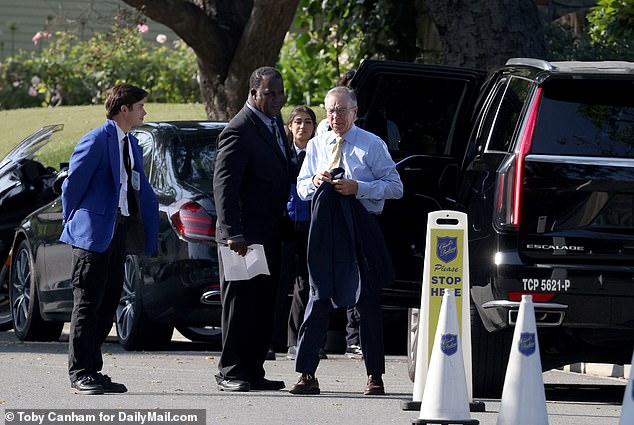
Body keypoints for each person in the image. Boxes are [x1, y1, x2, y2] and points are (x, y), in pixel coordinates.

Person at [290, 86, 403, 396]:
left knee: (366, 300)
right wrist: (314, 181)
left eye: (341, 110)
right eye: (330, 111)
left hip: (360, 229)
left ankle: (374, 375)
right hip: (325, 232)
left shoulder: (371, 145)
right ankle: (306, 373)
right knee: (318, 297)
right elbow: (301, 187)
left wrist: (359, 187)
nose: (335, 117)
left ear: (354, 112)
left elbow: (396, 187)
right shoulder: (316, 145)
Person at [60, 83, 159, 395]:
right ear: (125, 109)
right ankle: (80, 373)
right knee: (88, 303)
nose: (145, 111)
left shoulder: (132, 143)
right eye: (141, 106)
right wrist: (74, 220)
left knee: (109, 302)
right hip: (92, 234)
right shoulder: (96, 139)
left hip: (119, 231)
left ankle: (93, 369)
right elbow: (72, 185)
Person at [213, 66, 292, 392]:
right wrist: (234, 232)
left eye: (279, 93)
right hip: (243, 237)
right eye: (268, 93)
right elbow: (225, 186)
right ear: (253, 94)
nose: (275, 99)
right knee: (240, 304)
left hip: (269, 231)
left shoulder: (273, 123)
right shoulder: (239, 129)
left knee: (263, 304)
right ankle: (230, 371)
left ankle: (253, 369)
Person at [282, 106, 327, 361]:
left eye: (308, 122)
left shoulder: (320, 154)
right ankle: (269, 341)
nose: (302, 127)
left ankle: (298, 340)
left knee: (306, 284)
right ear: (289, 126)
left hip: (312, 225)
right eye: (297, 122)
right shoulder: (283, 154)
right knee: (278, 284)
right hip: (286, 226)